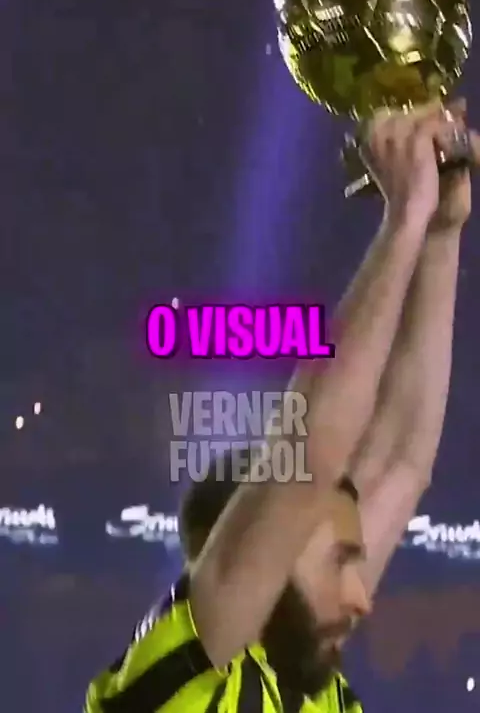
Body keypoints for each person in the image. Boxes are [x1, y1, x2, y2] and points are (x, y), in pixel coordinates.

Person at [84, 100, 475, 713]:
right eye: (339, 563)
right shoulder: (177, 687)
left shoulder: (310, 690)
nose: (361, 598)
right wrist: (403, 220)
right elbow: (306, 461)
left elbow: (401, 462)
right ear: (262, 550)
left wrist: (441, 234)